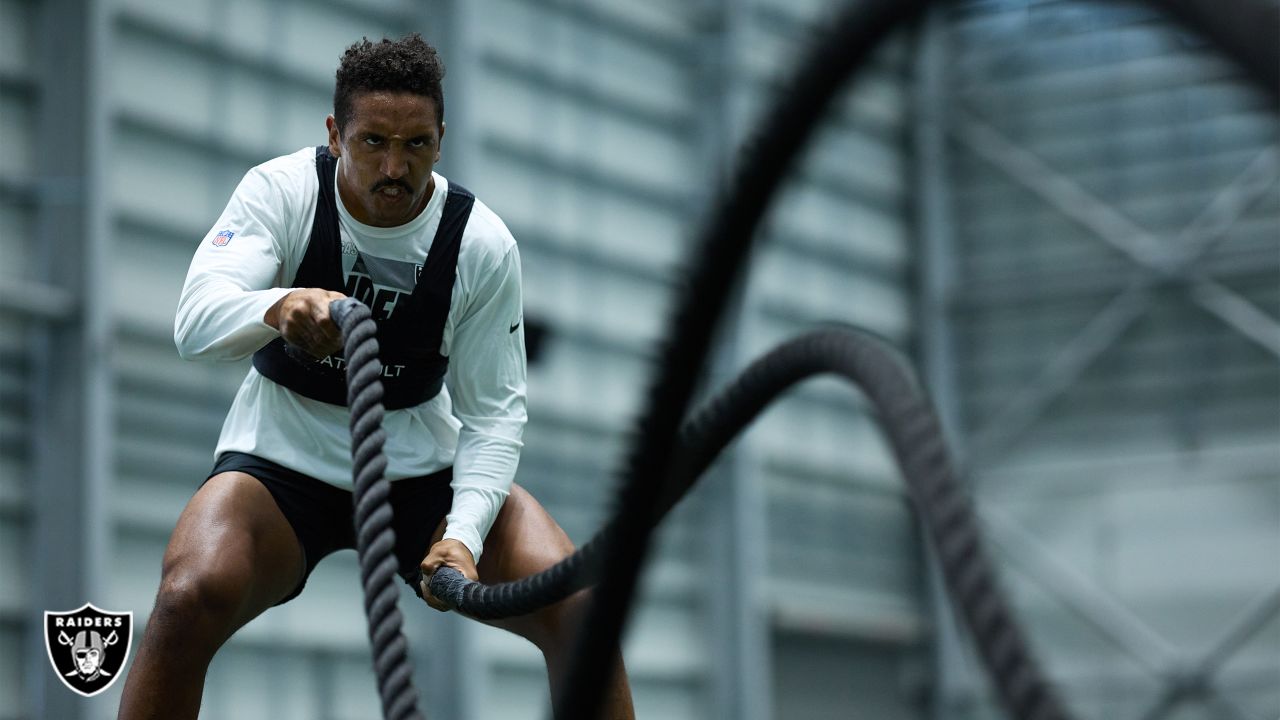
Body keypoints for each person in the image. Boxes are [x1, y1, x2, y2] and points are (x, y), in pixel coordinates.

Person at [117, 34, 634, 719]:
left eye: (416, 145)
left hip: (422, 475)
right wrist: (277, 305)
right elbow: (194, 323)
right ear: (336, 134)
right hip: (282, 463)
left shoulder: (479, 244)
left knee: (579, 610)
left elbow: (493, 415)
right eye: (373, 143)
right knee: (187, 600)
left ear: (442, 140)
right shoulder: (283, 191)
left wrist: (465, 534)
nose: (394, 168)